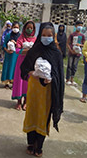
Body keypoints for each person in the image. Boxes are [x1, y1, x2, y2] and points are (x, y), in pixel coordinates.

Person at [20, 22, 64, 157]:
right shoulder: (34, 50)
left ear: (54, 36)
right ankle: (30, 142)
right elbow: (24, 68)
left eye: (49, 35)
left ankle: (39, 145)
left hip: (48, 91)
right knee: (32, 113)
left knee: (43, 115)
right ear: (40, 35)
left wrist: (52, 79)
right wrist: (31, 72)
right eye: (44, 35)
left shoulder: (56, 53)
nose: (46, 37)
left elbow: (60, 75)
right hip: (34, 89)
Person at [12, 21, 36, 111]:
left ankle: (26, 102)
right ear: (24, 28)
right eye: (28, 28)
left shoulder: (35, 39)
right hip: (21, 63)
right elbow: (17, 50)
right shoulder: (21, 38)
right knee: (20, 81)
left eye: (31, 28)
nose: (29, 30)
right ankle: (18, 102)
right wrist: (27, 51)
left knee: (28, 83)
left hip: (30, 64)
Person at [1, 21, 21, 88]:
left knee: (14, 69)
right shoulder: (8, 35)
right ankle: (6, 83)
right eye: (14, 27)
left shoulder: (20, 37)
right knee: (7, 68)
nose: (16, 28)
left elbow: (21, 46)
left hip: (16, 55)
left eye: (17, 27)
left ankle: (13, 83)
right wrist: (6, 50)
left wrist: (15, 43)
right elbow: (4, 44)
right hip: (8, 55)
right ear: (12, 27)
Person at [66, 21, 85, 85]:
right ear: (76, 26)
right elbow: (68, 43)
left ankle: (72, 79)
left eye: (81, 25)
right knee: (69, 65)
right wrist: (70, 50)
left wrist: (80, 45)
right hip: (71, 52)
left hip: (78, 53)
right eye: (79, 25)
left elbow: (84, 44)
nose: (80, 27)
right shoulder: (72, 35)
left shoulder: (82, 36)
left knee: (75, 66)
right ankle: (67, 79)